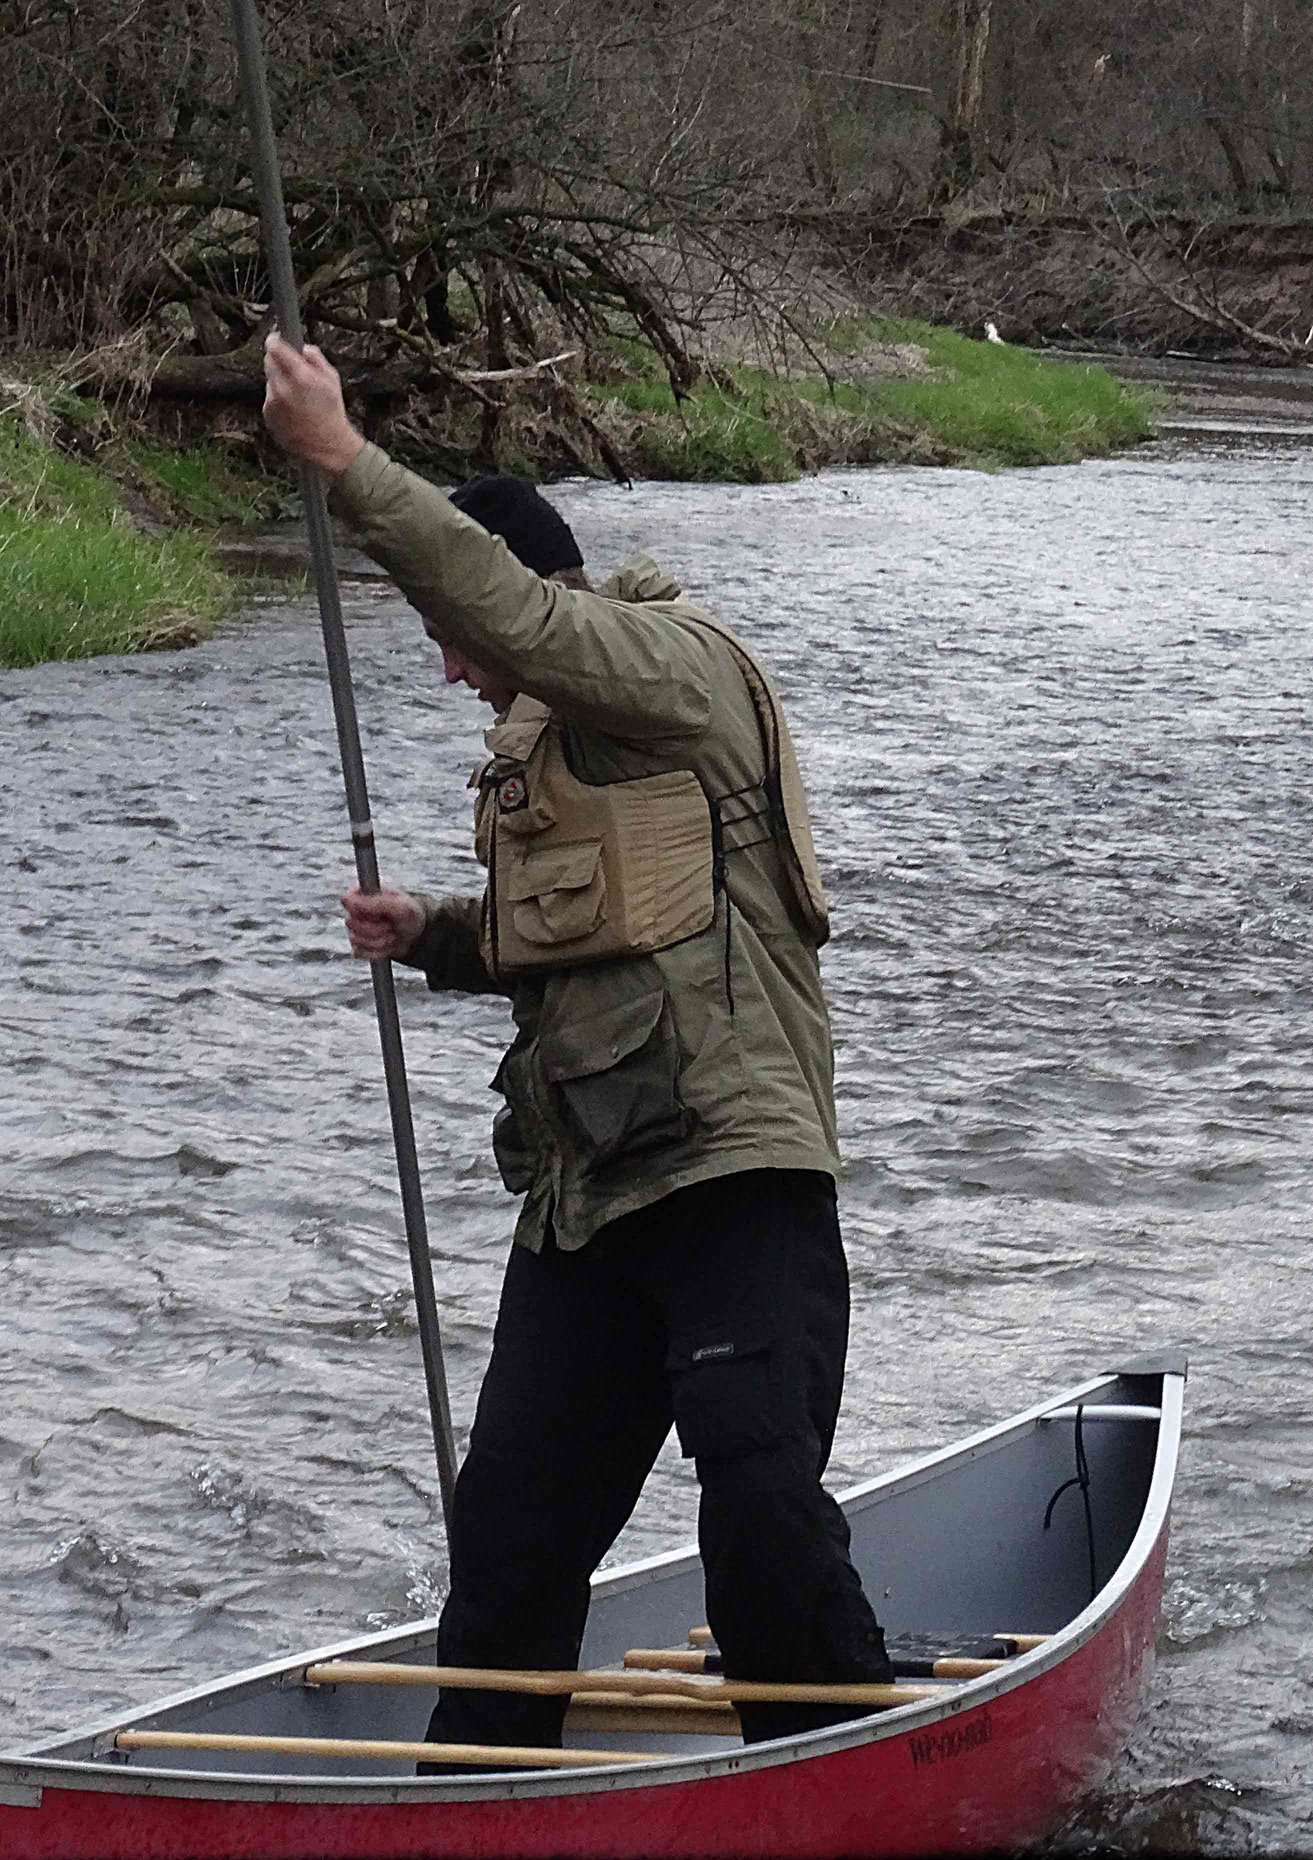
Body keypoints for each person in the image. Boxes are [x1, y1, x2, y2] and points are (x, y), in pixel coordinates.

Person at [260, 331, 896, 1759]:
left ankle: (847, 1757)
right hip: (589, 1193)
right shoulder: (541, 745)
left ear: (523, 593)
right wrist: (429, 932)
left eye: (448, 632)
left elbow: (512, 612)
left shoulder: (662, 670)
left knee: (754, 1494)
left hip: (733, 1172)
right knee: (509, 1534)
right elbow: (571, 943)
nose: (446, 669)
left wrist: (344, 460)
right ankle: (477, 1786)